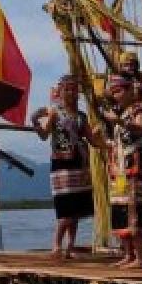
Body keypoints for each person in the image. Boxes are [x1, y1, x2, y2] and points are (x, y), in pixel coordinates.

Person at [30, 74, 107, 260]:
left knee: (77, 207)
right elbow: (43, 135)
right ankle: (56, 245)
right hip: (61, 164)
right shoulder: (55, 113)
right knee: (66, 208)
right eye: (67, 89)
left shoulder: (81, 116)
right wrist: (35, 121)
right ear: (61, 92)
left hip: (79, 163)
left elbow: (92, 140)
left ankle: (70, 247)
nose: (70, 93)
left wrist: (103, 135)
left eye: (73, 89)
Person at [99, 74, 142, 268]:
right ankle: (128, 255)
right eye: (113, 92)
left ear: (129, 90)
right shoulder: (119, 111)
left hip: (133, 169)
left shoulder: (138, 108)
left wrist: (119, 121)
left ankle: (140, 258)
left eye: (119, 91)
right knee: (120, 210)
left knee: (133, 210)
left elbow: (140, 128)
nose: (116, 95)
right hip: (119, 169)